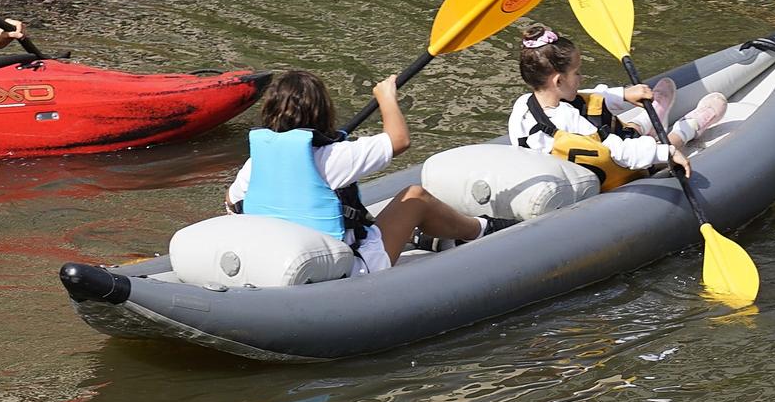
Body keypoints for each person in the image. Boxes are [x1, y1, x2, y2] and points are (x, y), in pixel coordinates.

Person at [226, 70, 513, 273]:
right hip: (349, 268)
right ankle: (481, 229)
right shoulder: (334, 158)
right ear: (322, 111)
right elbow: (399, 140)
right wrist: (386, 96)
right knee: (415, 196)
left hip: (280, 262)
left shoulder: (255, 165)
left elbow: (232, 202)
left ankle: (433, 237)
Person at [508, 23, 726, 189]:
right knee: (658, 149)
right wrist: (667, 152)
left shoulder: (522, 106)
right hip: (610, 174)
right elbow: (619, 152)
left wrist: (623, 94)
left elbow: (582, 95)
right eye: (577, 72)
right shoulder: (570, 120)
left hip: (570, 168)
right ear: (558, 81)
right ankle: (689, 127)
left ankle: (651, 117)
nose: (581, 77)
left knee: (594, 107)